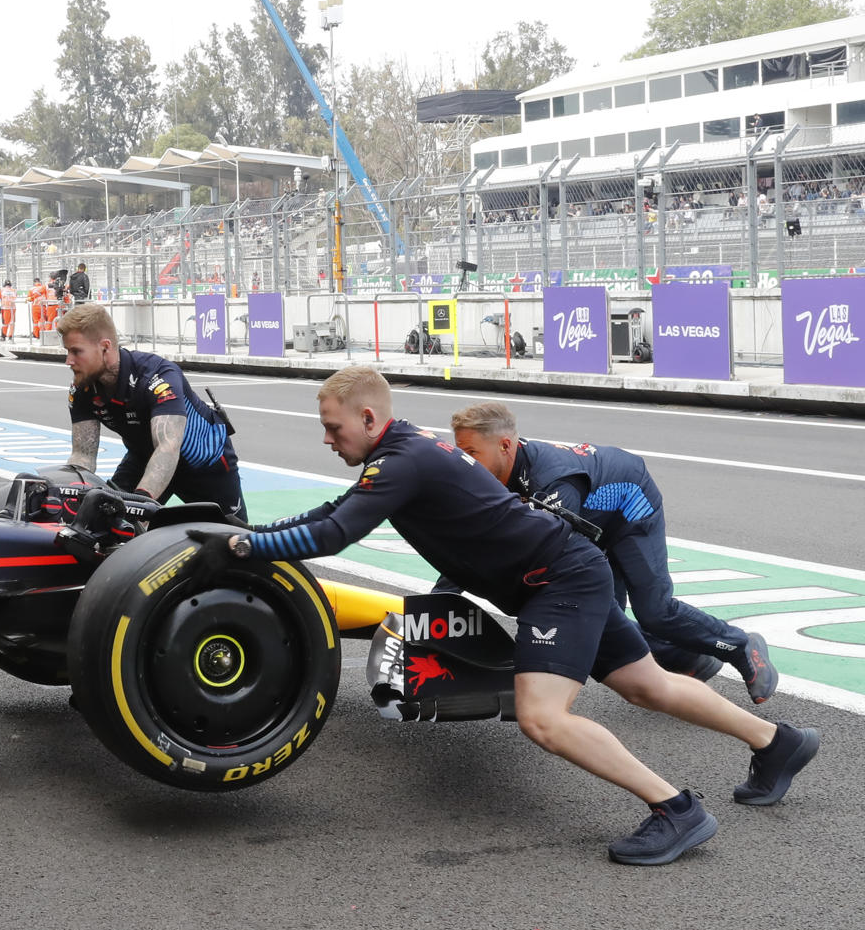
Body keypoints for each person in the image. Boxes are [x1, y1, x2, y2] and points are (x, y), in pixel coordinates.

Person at [221, 366, 817, 865]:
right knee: (648, 684)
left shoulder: (403, 460)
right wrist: (252, 530)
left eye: (333, 427)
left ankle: (676, 810)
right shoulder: (400, 456)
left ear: (370, 419)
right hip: (568, 574)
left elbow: (333, 533)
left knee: (544, 719)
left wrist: (243, 549)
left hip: (558, 584)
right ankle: (777, 742)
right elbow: (335, 509)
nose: (328, 439)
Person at [445, 403, 777, 702]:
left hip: (629, 508)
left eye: (471, 452)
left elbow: (548, 556)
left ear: (505, 446)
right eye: (460, 453)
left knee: (654, 610)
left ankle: (740, 644)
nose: (465, 463)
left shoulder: (553, 481)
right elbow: (473, 542)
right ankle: (688, 659)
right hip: (588, 523)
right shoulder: (495, 471)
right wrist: (438, 600)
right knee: (606, 622)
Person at [59, 303, 243, 521]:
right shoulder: (83, 387)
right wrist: (70, 495)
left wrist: (138, 504)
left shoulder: (158, 375)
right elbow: (83, 455)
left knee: (234, 541)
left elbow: (168, 447)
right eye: (68, 351)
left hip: (205, 465)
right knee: (103, 523)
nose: (68, 361)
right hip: (144, 458)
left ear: (105, 347)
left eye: (76, 352)